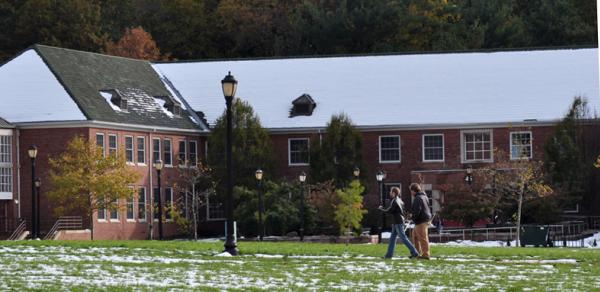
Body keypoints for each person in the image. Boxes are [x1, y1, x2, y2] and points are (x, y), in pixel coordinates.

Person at [379, 186, 419, 259]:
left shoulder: (395, 201)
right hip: (396, 222)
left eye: (391, 191)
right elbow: (402, 211)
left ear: (394, 193)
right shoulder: (399, 200)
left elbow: (390, 210)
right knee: (392, 239)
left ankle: (415, 253)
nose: (390, 193)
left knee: (403, 238)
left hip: (398, 222)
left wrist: (381, 209)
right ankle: (388, 255)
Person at [409, 183, 432, 260]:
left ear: (413, 190)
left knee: (423, 238)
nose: (411, 193)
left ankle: (426, 255)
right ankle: (416, 253)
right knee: (415, 236)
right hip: (424, 219)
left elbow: (417, 210)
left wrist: (412, 217)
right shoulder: (424, 196)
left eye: (411, 191)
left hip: (421, 220)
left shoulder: (418, 198)